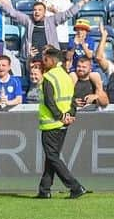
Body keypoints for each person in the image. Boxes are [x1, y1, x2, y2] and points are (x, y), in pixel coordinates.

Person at [36, 47, 86, 199]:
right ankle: (44, 190)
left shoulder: (49, 77)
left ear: (52, 60)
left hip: (52, 124)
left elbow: (50, 102)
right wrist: (70, 115)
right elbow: (72, 99)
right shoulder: (66, 76)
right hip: (63, 124)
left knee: (52, 157)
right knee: (52, 157)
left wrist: (60, 116)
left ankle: (75, 187)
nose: (43, 63)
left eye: (45, 60)